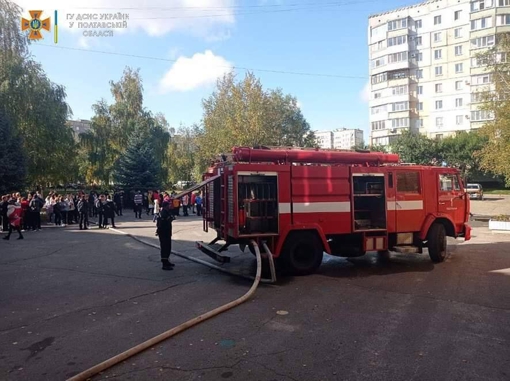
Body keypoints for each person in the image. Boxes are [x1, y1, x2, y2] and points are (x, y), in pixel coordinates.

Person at [156, 201, 175, 270]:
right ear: (165, 206)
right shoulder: (163, 213)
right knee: (165, 248)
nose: (169, 206)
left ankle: (167, 261)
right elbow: (161, 224)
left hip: (167, 232)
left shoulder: (166, 212)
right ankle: (164, 264)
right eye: (168, 205)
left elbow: (170, 218)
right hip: (164, 233)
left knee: (168, 247)